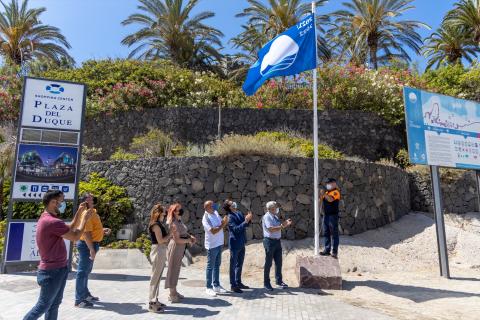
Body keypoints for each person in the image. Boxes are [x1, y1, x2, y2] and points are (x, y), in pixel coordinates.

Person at [24, 190, 92, 320]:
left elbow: (70, 227)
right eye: (60, 201)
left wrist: (78, 213)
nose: (62, 204)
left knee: (53, 305)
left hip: (57, 269)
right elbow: (75, 236)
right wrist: (84, 219)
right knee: (43, 306)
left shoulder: (48, 219)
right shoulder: (51, 222)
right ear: (53, 202)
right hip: (52, 272)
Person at [75, 193, 111, 308]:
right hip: (87, 245)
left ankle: (85, 295)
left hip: (90, 244)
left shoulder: (92, 212)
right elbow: (86, 233)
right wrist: (91, 249)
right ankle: (79, 299)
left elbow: (91, 229)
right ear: (84, 201)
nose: (92, 199)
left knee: (86, 271)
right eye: (89, 198)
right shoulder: (86, 213)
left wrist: (101, 230)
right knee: (82, 272)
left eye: (92, 198)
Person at [165, 203, 196, 303]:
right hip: (175, 247)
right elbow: (177, 240)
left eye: (181, 209)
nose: (181, 211)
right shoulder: (173, 223)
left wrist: (190, 236)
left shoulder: (179, 221)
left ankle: (174, 291)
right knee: (173, 269)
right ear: (174, 212)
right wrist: (188, 241)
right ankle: (172, 294)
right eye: (179, 210)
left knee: (176, 269)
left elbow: (183, 232)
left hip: (180, 248)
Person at [262, 201, 293, 291]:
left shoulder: (275, 216)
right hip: (269, 242)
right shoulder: (267, 217)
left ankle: (279, 281)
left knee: (279, 262)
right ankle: (266, 283)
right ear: (271, 208)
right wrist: (283, 225)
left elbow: (278, 226)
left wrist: (283, 224)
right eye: (275, 207)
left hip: (277, 242)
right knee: (268, 263)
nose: (277, 208)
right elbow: (270, 229)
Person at [148, 203, 171, 313]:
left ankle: (155, 300)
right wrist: (170, 234)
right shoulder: (156, 225)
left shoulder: (159, 224)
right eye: (164, 211)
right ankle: (152, 303)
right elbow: (160, 240)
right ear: (159, 213)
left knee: (157, 277)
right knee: (155, 278)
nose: (166, 213)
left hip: (160, 250)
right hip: (158, 250)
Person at [225, 200, 252, 293]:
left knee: (239, 264)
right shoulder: (229, 217)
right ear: (229, 207)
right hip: (234, 243)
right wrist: (246, 221)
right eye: (231, 203)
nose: (233, 204)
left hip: (241, 242)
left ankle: (238, 282)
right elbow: (236, 229)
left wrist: (248, 219)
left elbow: (245, 225)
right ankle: (233, 285)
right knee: (233, 265)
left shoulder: (239, 213)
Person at [202, 200, 228, 297]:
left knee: (217, 265)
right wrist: (223, 224)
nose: (215, 206)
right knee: (210, 266)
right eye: (212, 205)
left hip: (219, 243)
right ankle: (208, 287)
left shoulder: (216, 213)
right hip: (212, 245)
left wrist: (224, 221)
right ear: (207, 208)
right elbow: (213, 231)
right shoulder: (206, 218)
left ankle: (216, 285)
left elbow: (220, 223)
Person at [320, 178, 341, 259]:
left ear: (334, 183)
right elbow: (321, 201)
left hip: (333, 216)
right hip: (326, 215)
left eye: (329, 183)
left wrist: (324, 195)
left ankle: (334, 252)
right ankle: (327, 250)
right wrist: (320, 196)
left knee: (334, 234)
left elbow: (330, 199)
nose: (327, 184)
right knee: (326, 233)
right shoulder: (327, 192)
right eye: (327, 183)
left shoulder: (336, 192)